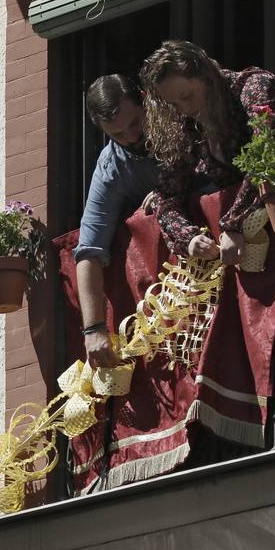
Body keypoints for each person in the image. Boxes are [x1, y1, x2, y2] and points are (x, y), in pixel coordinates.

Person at [140, 40, 275, 271]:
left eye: (187, 96)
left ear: (207, 77)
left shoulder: (251, 87)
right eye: (173, 104)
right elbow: (166, 196)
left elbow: (266, 152)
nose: (183, 110)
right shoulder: (185, 125)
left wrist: (234, 223)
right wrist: (189, 238)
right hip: (238, 258)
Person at [73, 73, 160, 369]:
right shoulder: (110, 165)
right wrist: (94, 330)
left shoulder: (181, 119)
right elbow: (88, 252)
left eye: (136, 123)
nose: (132, 137)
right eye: (118, 135)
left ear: (146, 102)